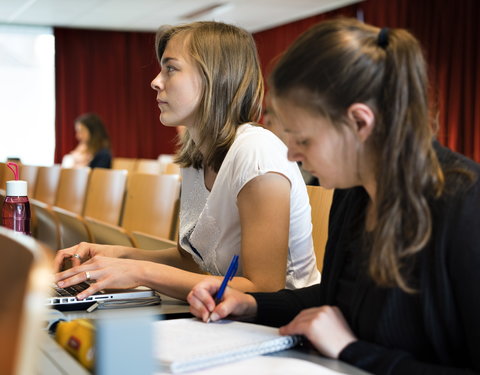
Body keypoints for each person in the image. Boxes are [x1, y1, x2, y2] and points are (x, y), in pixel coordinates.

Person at [187, 18, 480, 374]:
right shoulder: (353, 192)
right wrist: (252, 305)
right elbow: (334, 301)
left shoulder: (465, 206)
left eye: (303, 140)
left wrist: (351, 349)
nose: (293, 155)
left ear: (359, 123)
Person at [53, 21, 320, 301]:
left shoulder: (256, 152)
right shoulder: (196, 154)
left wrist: (141, 271)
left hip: (280, 324)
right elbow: (197, 260)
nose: (155, 81)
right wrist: (121, 254)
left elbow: (265, 289)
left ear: (215, 77)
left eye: (171, 68)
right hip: (217, 313)